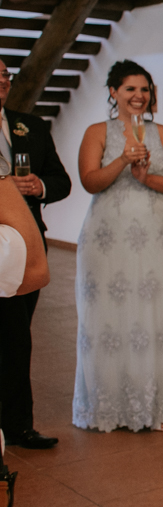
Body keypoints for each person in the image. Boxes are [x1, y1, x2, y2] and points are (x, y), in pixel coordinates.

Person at [73, 60, 163, 432]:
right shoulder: (97, 132)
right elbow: (90, 181)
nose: (139, 96)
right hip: (109, 239)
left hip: (157, 235)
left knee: (157, 317)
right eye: (130, 89)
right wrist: (122, 160)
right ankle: (112, 404)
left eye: (144, 89)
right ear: (114, 92)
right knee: (112, 318)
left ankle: (158, 403)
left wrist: (147, 178)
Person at [0, 58, 70, 449]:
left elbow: (62, 181)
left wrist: (38, 186)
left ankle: (17, 426)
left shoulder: (31, 126)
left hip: (25, 246)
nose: (2, 81)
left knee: (17, 338)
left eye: (5, 75)